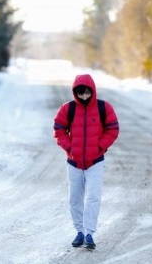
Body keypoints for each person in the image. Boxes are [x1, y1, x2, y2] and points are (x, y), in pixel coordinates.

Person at [53, 74, 119, 249]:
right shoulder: (68, 109)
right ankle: (79, 232)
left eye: (87, 93)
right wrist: (70, 148)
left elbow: (113, 129)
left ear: (93, 91)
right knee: (75, 198)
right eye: (80, 93)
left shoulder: (104, 108)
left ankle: (89, 233)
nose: (84, 97)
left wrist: (100, 147)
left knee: (93, 197)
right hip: (74, 163)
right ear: (75, 92)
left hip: (95, 162)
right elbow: (58, 130)